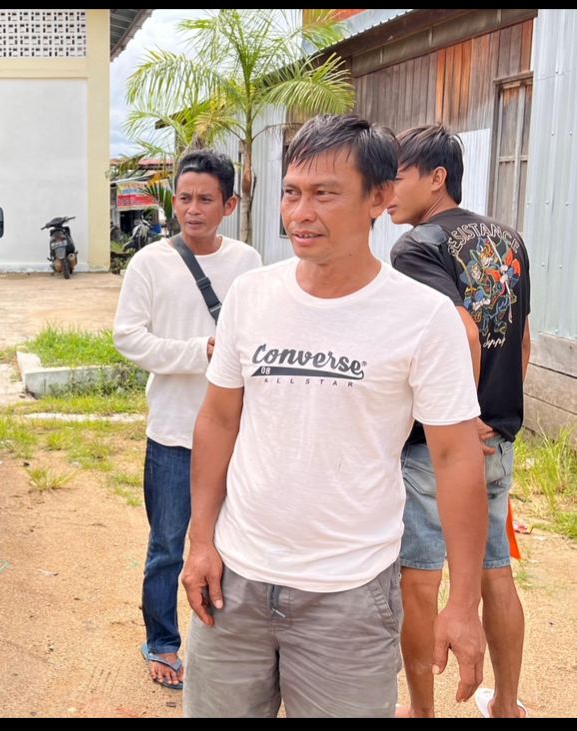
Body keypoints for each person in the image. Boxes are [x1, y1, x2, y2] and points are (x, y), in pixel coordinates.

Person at [182, 114, 489, 717]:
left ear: (379, 198)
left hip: (349, 596)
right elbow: (218, 421)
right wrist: (200, 540)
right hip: (235, 582)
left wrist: (464, 602)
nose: (301, 213)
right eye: (293, 193)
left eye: (325, 194)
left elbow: (456, 458)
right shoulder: (253, 296)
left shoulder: (423, 317)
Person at [388, 124, 531, 719]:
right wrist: (495, 414)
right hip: (497, 438)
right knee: (494, 572)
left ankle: (421, 711)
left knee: (421, 580)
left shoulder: (416, 246)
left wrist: (460, 416)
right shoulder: (509, 238)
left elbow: (462, 330)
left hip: (438, 448)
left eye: (397, 176)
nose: (387, 189)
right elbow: (520, 339)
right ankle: (505, 706)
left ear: (436, 177)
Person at [113, 150, 261, 690]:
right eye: (184, 198)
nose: (192, 210)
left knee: (239, 543)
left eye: (204, 199)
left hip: (238, 436)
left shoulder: (248, 262)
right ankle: (163, 641)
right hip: (174, 433)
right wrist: (201, 350)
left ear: (229, 204)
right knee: (168, 545)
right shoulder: (149, 262)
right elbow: (128, 338)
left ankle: (229, 641)